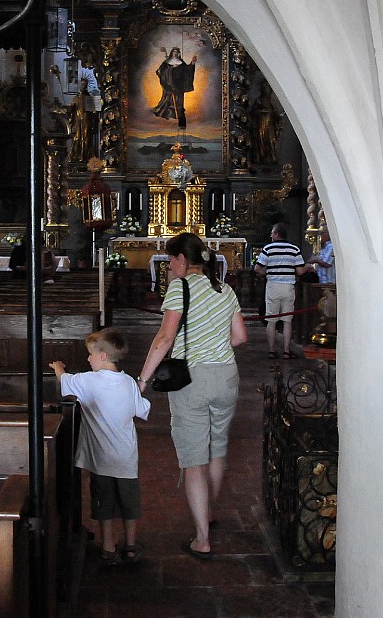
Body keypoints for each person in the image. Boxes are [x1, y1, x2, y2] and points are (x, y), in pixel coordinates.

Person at [137, 232, 247, 560]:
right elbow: (240, 337)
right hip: (226, 376)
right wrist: (213, 342)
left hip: (193, 380)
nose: (170, 266)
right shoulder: (224, 289)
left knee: (194, 460)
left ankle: (202, 538)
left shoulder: (179, 288)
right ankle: (209, 513)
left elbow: (164, 338)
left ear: (183, 260)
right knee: (217, 448)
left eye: (172, 259)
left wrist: (142, 379)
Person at [49, 328, 150, 564]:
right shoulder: (128, 383)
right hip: (126, 458)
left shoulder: (88, 381)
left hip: (101, 460)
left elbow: (65, 381)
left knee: (104, 503)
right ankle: (131, 545)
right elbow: (141, 410)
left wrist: (58, 367)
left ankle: (108, 547)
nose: (88, 359)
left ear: (103, 356)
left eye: (91, 355)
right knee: (129, 503)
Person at [255, 223, 314, 358]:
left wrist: (268, 272)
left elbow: (257, 268)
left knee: (271, 320)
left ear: (277, 234)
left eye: (272, 233)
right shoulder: (294, 249)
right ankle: (287, 351)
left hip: (273, 286)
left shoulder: (268, 249)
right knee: (287, 320)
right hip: (288, 287)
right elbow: (299, 271)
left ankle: (271, 351)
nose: (271, 235)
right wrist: (307, 266)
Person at [152, 47, 197, 128]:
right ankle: (167, 124)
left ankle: (182, 124)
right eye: (174, 52)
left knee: (180, 104)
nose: (175, 54)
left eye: (177, 52)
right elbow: (160, 72)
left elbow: (187, 71)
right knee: (168, 103)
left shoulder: (181, 62)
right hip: (169, 86)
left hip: (179, 87)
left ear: (178, 53)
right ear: (171, 53)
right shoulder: (166, 63)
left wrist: (192, 63)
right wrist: (171, 70)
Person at [249, 80, 281, 164]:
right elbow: (253, 112)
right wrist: (262, 112)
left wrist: (277, 116)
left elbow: (276, 113)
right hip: (260, 124)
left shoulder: (271, 102)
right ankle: (261, 158)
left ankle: (271, 159)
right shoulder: (259, 100)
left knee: (271, 141)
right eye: (264, 88)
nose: (266, 90)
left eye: (267, 88)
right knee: (260, 141)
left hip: (269, 125)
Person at [68, 78, 98, 162]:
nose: (83, 86)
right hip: (78, 121)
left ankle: (85, 158)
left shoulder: (89, 98)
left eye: (84, 85)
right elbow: (71, 111)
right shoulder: (75, 98)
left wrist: (94, 124)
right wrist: (71, 109)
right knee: (77, 139)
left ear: (87, 86)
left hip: (86, 120)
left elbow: (94, 113)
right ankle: (76, 157)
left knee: (86, 139)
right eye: (82, 84)